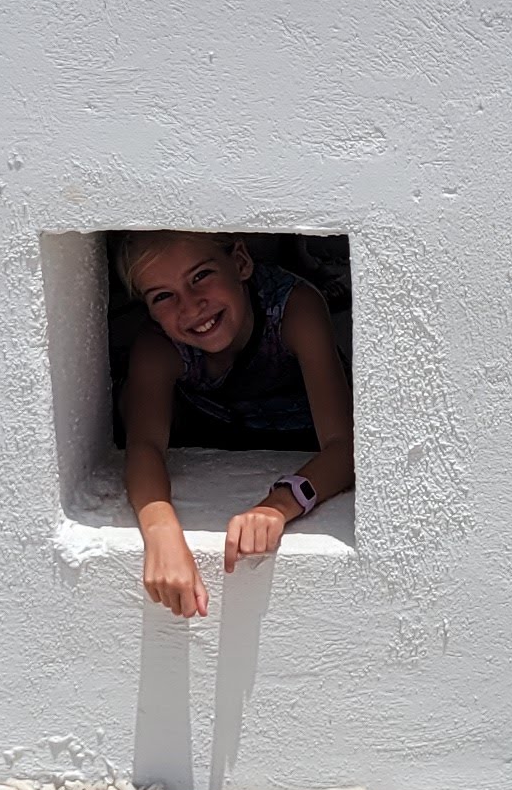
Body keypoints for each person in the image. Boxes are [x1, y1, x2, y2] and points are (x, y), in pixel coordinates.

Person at [114, 232, 355, 618]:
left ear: (240, 262)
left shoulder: (294, 310)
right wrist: (161, 533)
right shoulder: (159, 347)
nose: (191, 306)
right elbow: (144, 446)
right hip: (217, 433)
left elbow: (345, 446)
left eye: (201, 276)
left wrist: (277, 505)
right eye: (163, 296)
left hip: (300, 435)